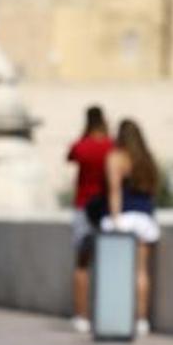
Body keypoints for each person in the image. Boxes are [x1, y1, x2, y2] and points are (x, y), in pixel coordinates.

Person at [100, 118, 161, 337]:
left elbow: (114, 190)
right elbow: (152, 191)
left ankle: (117, 317)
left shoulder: (116, 158)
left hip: (124, 217)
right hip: (144, 219)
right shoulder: (147, 159)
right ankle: (142, 320)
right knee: (141, 272)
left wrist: (115, 220)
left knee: (116, 273)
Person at [66, 105, 111, 333]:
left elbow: (70, 155)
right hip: (104, 208)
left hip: (83, 207)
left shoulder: (83, 146)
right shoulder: (110, 146)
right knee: (108, 262)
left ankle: (81, 315)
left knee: (82, 263)